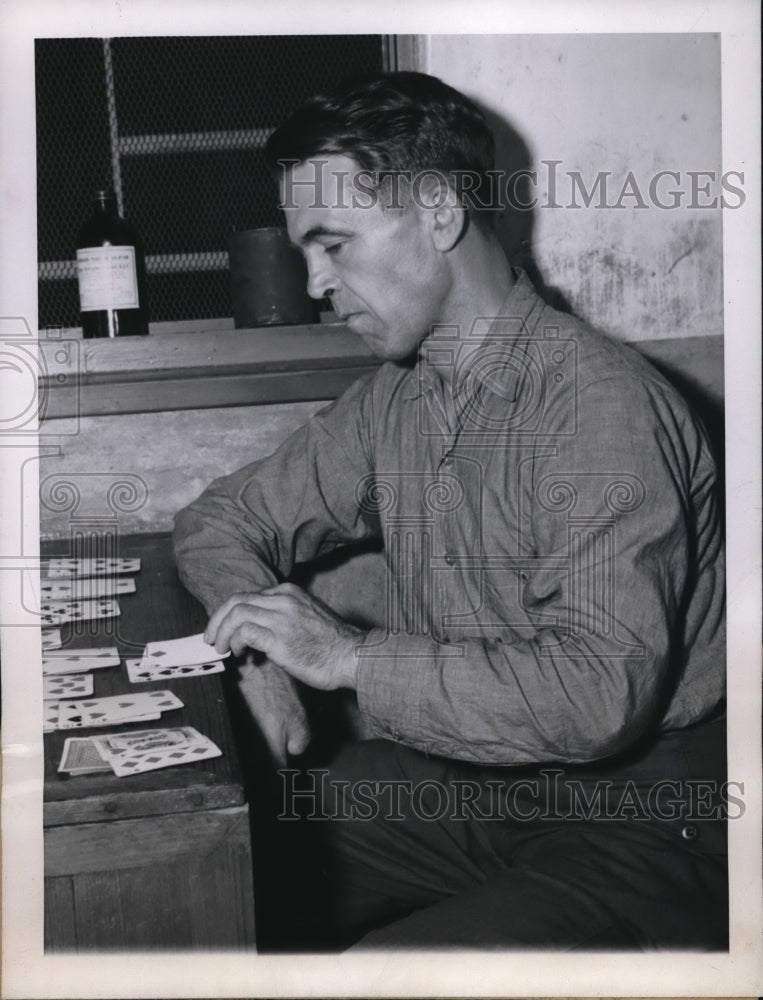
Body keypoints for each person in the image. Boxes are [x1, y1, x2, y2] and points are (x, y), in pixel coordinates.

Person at [173, 71, 727, 950]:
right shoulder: (399, 395)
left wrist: (345, 655)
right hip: (467, 785)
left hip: (648, 821)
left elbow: (594, 697)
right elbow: (221, 519)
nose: (313, 283)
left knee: (374, 978)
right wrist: (255, 659)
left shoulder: (598, 406)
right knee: (194, 863)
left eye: (333, 244)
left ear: (437, 214)